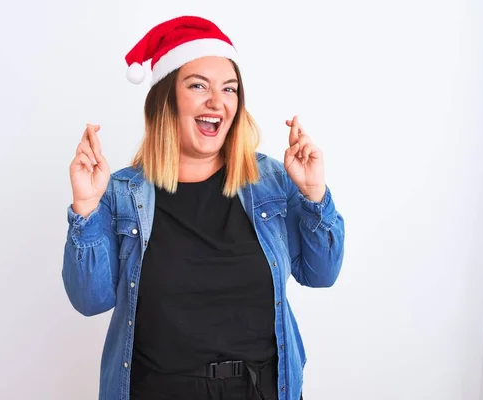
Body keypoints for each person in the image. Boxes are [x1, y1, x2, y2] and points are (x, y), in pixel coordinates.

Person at [62, 15, 345, 400]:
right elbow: (90, 300)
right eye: (198, 86)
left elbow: (321, 273)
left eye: (229, 89)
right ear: (167, 99)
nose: (217, 101)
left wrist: (314, 193)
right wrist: (86, 207)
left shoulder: (272, 183)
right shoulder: (123, 193)